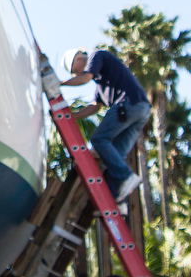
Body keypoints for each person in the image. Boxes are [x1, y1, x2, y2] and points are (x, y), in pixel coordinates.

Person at [60, 47, 150, 202]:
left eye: (75, 71)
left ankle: (127, 176)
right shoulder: (100, 84)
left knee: (99, 139)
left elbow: (85, 78)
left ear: (78, 58)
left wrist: (59, 84)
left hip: (128, 105)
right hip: (141, 111)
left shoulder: (97, 55)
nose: (77, 75)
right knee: (116, 155)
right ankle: (117, 201)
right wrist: (71, 117)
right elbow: (95, 106)